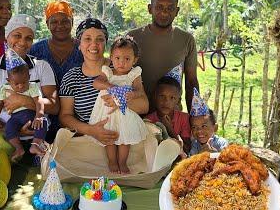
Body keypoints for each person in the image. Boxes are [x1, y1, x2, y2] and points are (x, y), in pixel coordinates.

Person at [0, 14, 58, 158]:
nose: (22, 42)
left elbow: (55, 106)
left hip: (39, 139)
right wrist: (13, 130)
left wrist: (24, 100)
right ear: (7, 36)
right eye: (17, 35)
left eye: (28, 38)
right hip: (1, 142)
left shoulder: (42, 67)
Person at [59, 19, 149, 148]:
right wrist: (91, 130)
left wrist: (120, 100)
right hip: (88, 142)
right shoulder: (71, 77)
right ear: (79, 43)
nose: (94, 44)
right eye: (87, 39)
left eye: (100, 39)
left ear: (106, 43)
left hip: (123, 141)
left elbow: (144, 106)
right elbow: (65, 116)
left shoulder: (122, 67)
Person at [127, 0, 200, 113]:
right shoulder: (133, 37)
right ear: (150, 8)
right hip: (136, 113)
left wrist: (194, 115)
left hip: (171, 117)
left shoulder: (186, 40)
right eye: (159, 7)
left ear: (177, 11)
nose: (164, 12)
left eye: (170, 8)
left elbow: (191, 81)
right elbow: (119, 72)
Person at [89, 35, 149, 174]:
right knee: (109, 137)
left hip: (125, 113)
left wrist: (134, 94)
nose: (122, 62)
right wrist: (111, 87)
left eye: (127, 59)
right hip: (107, 111)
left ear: (135, 59)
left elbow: (139, 89)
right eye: (117, 58)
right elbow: (96, 83)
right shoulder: (108, 72)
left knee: (124, 138)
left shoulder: (134, 74)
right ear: (111, 57)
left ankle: (122, 162)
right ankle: (112, 161)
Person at [29, 0, 83, 142]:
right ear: (47, 24)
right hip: (43, 118)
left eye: (65, 21)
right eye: (54, 22)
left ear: (72, 22)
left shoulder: (83, 49)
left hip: (76, 118)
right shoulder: (36, 50)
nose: (60, 26)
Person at [0, 45, 49, 161]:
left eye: (24, 82)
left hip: (32, 115)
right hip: (15, 118)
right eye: (16, 84)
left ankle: (35, 145)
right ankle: (18, 148)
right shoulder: (4, 88)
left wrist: (39, 116)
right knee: (9, 128)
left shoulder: (33, 87)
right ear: (9, 81)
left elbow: (38, 102)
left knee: (43, 123)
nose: (21, 86)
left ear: (29, 76)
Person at [145, 70, 192, 154]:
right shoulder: (148, 121)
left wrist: (169, 129)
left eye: (172, 98)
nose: (166, 101)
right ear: (154, 97)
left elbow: (186, 149)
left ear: (178, 101)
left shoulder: (184, 119)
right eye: (162, 96)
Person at [188, 88, 228, 156]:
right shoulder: (195, 145)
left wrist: (213, 154)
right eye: (194, 127)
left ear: (215, 128)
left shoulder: (222, 143)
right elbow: (191, 161)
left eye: (204, 126)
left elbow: (228, 159)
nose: (199, 131)